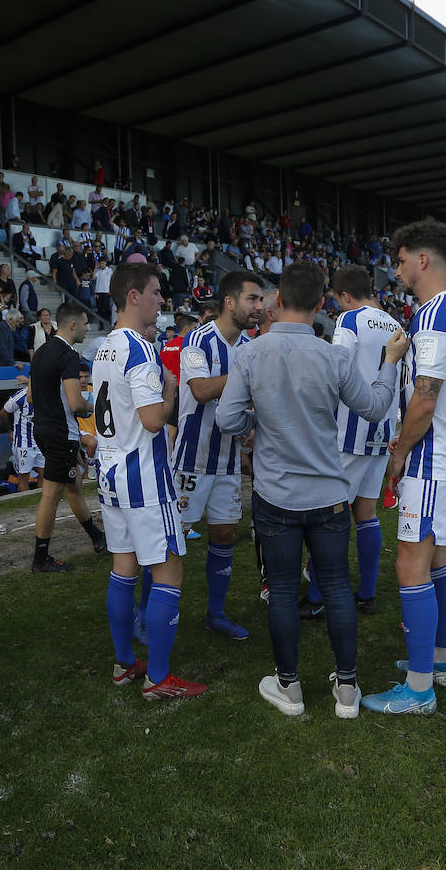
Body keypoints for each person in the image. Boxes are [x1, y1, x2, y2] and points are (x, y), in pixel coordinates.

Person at [217, 261, 407, 719]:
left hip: (278, 494)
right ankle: (347, 688)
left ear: (278, 301)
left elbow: (226, 419)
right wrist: (388, 363)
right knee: (338, 586)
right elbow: (378, 407)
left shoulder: (251, 354)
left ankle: (290, 687)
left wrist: (253, 426)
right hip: (329, 495)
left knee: (283, 590)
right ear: (322, 304)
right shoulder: (332, 356)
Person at [367, 218, 446, 716]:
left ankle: (418, 688)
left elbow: (424, 401)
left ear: (422, 259)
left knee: (410, 563)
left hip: (432, 460)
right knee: (435, 561)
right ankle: (439, 661)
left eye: (401, 259)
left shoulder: (435, 317)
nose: (398, 269)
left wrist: (399, 452)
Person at [93, 263, 207, 701]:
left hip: (110, 472)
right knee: (168, 569)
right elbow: (152, 420)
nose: (162, 301)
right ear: (133, 296)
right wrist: (171, 390)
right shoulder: (140, 349)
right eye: (157, 293)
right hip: (142, 474)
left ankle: (125, 664)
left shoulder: (104, 346)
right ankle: (158, 678)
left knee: (123, 567)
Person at [164, 271, 263, 643]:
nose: (259, 307)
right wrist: (244, 375)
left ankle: (216, 614)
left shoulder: (249, 346)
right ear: (229, 301)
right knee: (172, 541)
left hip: (228, 460)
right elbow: (202, 390)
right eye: (252, 299)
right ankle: (147, 612)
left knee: (224, 534)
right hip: (192, 458)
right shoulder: (198, 341)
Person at [300, 266, 403, 618]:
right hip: (382, 427)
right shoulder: (394, 324)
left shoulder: (349, 320)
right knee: (367, 512)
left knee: (328, 515)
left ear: (344, 295)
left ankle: (317, 597)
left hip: (350, 428)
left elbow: (338, 368)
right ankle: (367, 594)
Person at [28, 302, 106, 572]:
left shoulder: (40, 353)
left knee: (72, 486)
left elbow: (30, 396)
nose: (87, 328)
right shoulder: (68, 356)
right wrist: (94, 405)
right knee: (51, 494)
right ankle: (40, 558)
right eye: (85, 323)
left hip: (43, 428)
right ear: (72, 325)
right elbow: (75, 403)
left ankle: (97, 538)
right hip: (61, 432)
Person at [4, 380, 44, 493]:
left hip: (41, 441)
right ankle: (24, 502)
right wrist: (10, 431)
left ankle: (41, 503)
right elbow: (3, 412)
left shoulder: (46, 393)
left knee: (44, 474)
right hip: (23, 442)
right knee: (24, 477)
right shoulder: (21, 395)